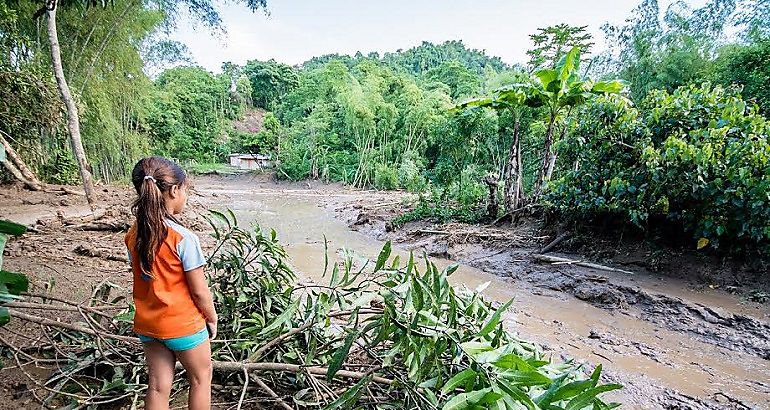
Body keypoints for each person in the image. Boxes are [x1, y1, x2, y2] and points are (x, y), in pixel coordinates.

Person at [125, 156, 217, 410]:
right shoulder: (184, 238)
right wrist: (211, 318)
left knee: (157, 385)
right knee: (200, 379)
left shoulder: (133, 235)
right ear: (175, 190)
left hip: (148, 324)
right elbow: (199, 292)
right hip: (183, 325)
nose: (185, 196)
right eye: (186, 190)